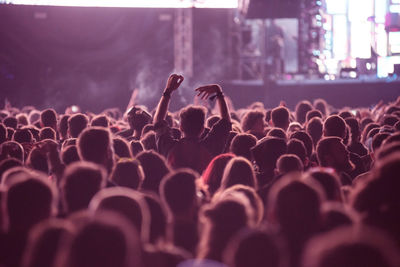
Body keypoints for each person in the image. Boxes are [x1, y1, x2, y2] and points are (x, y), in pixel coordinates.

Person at [154, 74, 232, 174]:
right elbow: (226, 122)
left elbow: (158, 121)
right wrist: (219, 93)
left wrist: (167, 91)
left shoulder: (169, 148)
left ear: (180, 127)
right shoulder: (210, 147)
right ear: (202, 129)